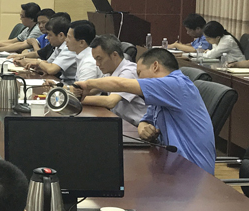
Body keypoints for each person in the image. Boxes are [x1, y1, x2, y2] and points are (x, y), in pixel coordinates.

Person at [75, 48, 216, 175]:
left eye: (139, 73)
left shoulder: (177, 84)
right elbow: (145, 120)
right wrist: (143, 128)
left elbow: (121, 84)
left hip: (192, 172)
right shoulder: (160, 95)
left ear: (155, 66)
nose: (138, 78)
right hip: (171, 164)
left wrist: (87, 85)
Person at [81, 35, 147, 125]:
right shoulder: (110, 71)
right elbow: (91, 89)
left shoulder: (129, 72)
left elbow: (110, 101)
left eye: (99, 59)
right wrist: (68, 90)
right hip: (121, 123)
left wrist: (77, 100)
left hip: (138, 127)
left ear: (114, 55)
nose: (97, 64)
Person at [21, 17, 77, 82]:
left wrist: (38, 62)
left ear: (61, 35)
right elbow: (48, 63)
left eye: (50, 35)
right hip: (63, 81)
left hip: (71, 84)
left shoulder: (69, 48)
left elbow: (51, 69)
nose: (47, 38)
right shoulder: (58, 46)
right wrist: (39, 66)